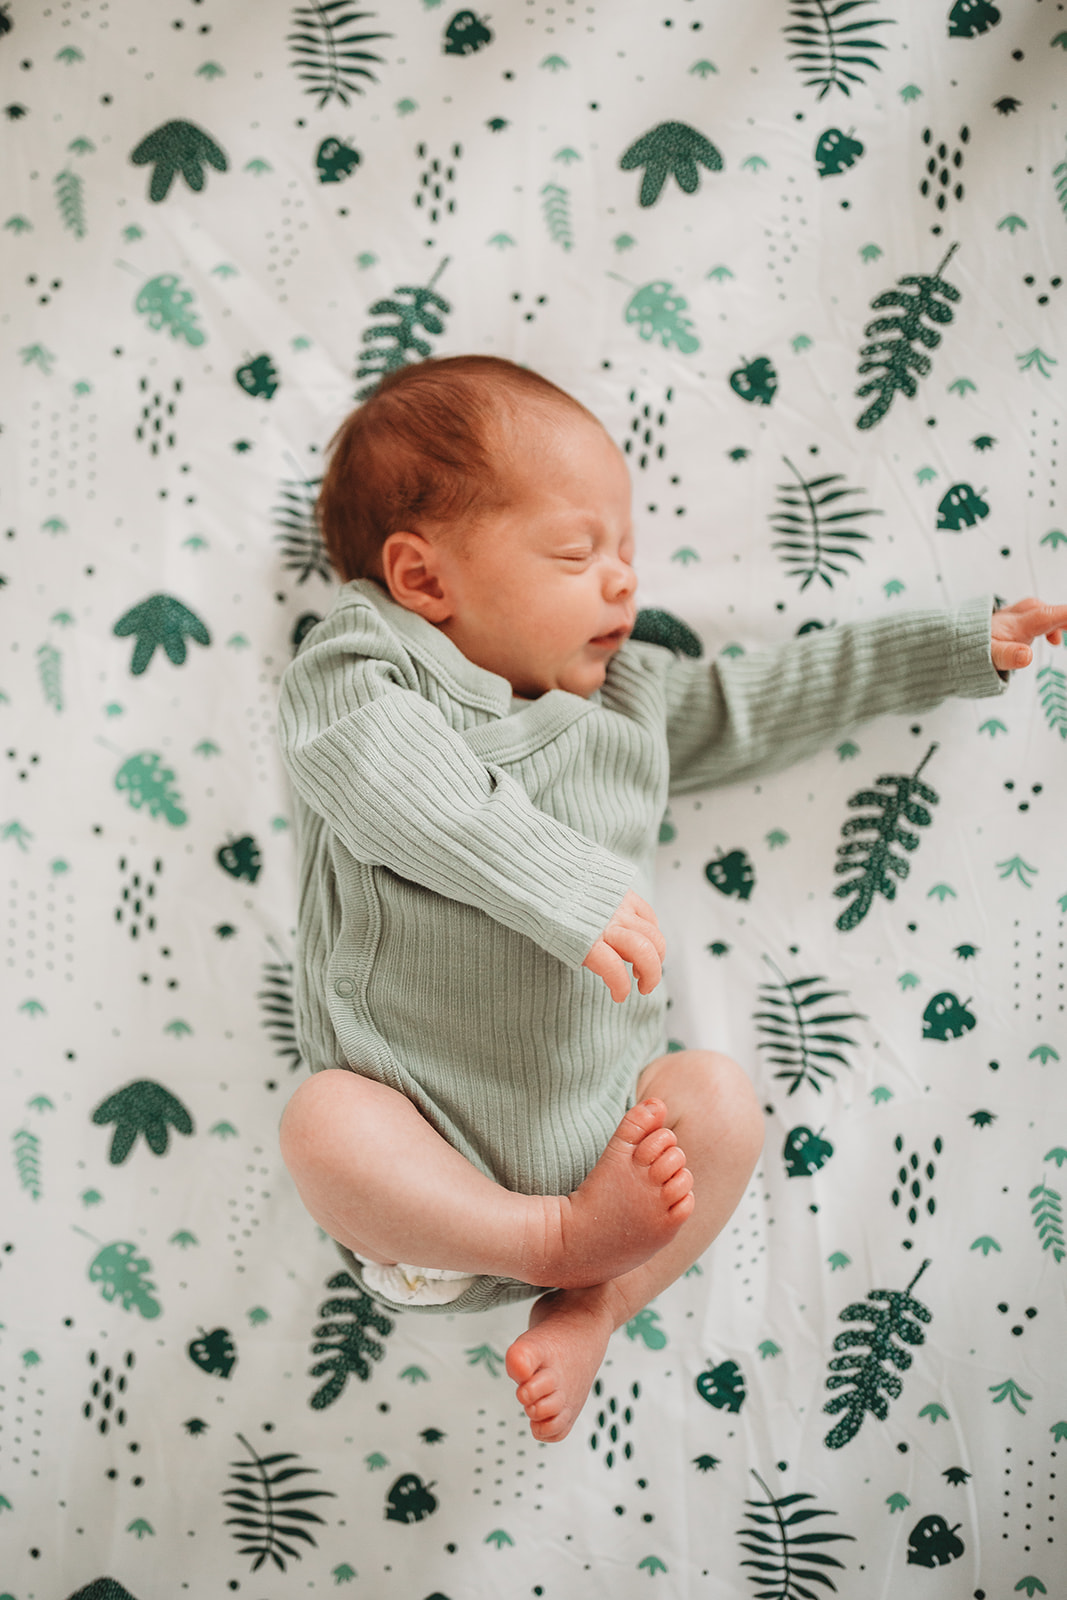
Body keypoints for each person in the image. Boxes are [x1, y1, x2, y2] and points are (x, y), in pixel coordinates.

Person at [275, 354, 1066, 1443]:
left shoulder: (627, 702)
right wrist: (559, 885)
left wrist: (942, 648)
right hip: (425, 1169)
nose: (620, 582)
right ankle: (546, 1241)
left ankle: (595, 1302)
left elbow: (762, 701)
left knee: (720, 1101)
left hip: (614, 1149)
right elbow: (392, 785)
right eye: (574, 550)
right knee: (325, 1124)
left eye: (627, 551)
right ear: (421, 580)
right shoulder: (362, 669)